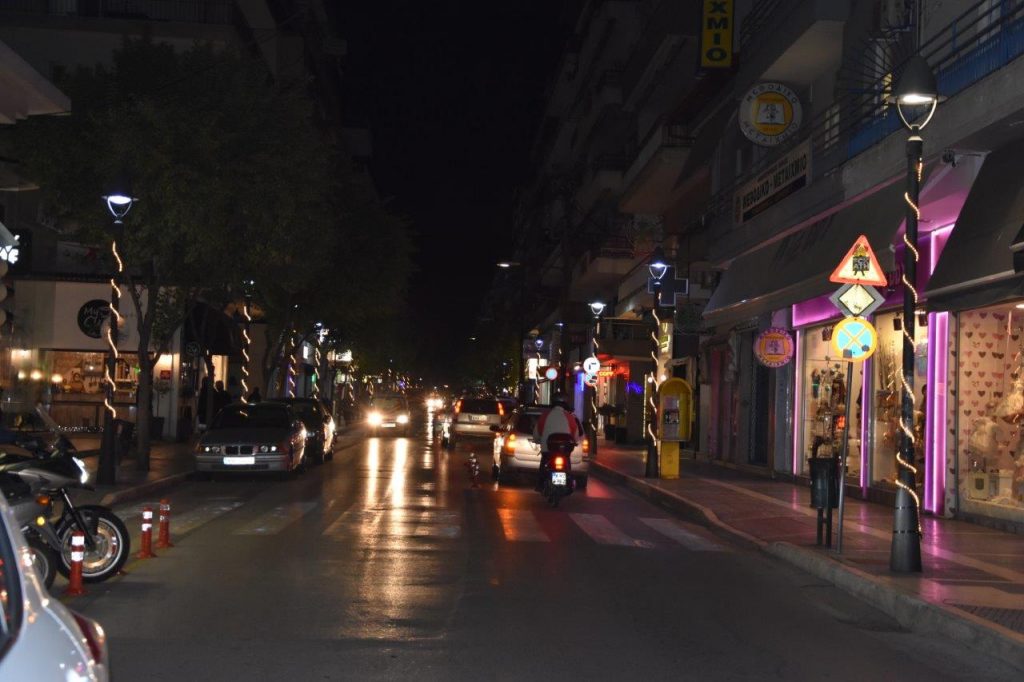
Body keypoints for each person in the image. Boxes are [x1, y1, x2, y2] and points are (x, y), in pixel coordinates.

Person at [533, 392, 581, 491]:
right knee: (567, 467)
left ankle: (540, 484)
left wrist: (538, 440)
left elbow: (537, 433)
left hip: (547, 451)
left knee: (543, 467)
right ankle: (568, 481)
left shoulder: (545, 416)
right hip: (565, 451)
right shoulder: (570, 417)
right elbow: (576, 436)